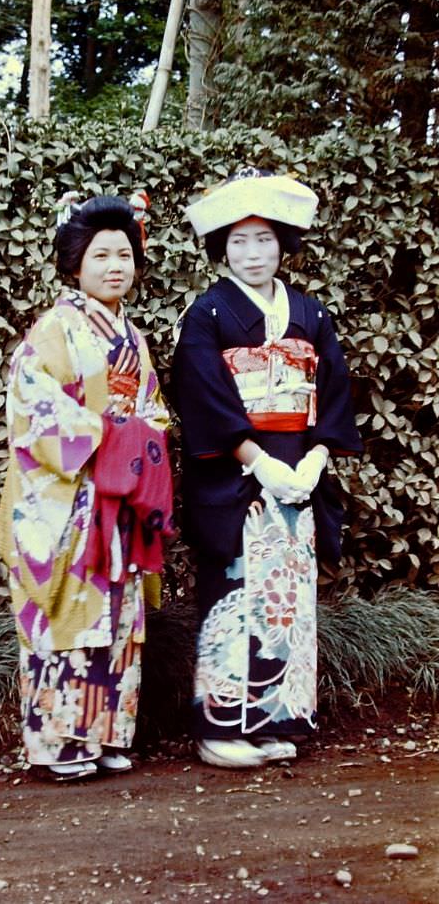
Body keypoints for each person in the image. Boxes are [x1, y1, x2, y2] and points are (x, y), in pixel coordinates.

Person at [172, 168, 362, 768]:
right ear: (220, 249)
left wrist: (316, 457)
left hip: (298, 470)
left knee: (288, 597)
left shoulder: (311, 314)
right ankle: (221, 728)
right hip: (237, 477)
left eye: (264, 240)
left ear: (284, 244)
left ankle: (274, 721)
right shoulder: (206, 315)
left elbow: (331, 393)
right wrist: (256, 461)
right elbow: (202, 394)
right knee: (235, 595)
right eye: (239, 241)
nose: (253, 253)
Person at [0, 193, 173, 782]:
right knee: (69, 612)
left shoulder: (134, 338)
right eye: (101, 255)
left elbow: (153, 412)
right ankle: (59, 742)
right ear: (75, 263)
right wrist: (112, 437)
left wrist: (135, 439)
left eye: (124, 254)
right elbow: (34, 411)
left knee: (117, 616)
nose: (115, 266)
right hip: (68, 500)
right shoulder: (53, 330)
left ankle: (107, 733)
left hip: (118, 498)